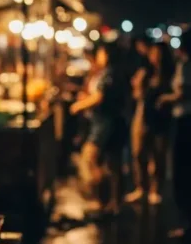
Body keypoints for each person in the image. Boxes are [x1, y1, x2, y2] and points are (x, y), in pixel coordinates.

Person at [157, 30, 191, 238]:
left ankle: (189, 222)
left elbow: (184, 93)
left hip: (186, 123)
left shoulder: (187, 66)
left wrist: (165, 99)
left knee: (183, 173)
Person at [71, 44, 127, 214]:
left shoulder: (110, 74)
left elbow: (99, 97)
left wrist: (79, 105)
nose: (99, 56)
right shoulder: (106, 73)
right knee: (111, 163)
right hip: (103, 122)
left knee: (90, 158)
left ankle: (102, 198)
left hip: (105, 122)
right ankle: (112, 201)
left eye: (102, 53)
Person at [126, 41, 172, 205]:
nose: (155, 57)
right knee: (139, 153)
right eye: (153, 53)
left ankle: (155, 189)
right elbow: (136, 95)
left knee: (158, 155)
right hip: (143, 116)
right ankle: (141, 187)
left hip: (160, 119)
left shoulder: (169, 74)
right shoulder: (146, 72)